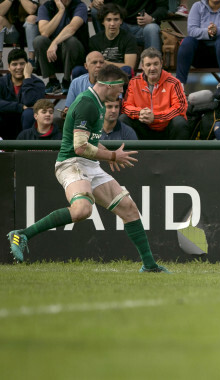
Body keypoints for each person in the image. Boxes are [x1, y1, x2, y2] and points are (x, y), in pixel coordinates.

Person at [7, 64, 169, 273]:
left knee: (129, 209)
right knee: (83, 210)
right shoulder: (86, 103)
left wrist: (106, 153)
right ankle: (22, 234)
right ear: (108, 84)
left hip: (88, 164)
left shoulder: (99, 103)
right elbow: (80, 147)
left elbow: (91, 141)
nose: (122, 91)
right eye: (120, 86)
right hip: (71, 163)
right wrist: (111, 155)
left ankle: (149, 266)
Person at [121, 48, 189, 140]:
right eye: (148, 65)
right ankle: (130, 153)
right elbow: (126, 107)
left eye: (155, 64)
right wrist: (140, 113)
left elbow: (180, 108)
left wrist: (155, 117)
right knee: (123, 119)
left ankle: (177, 154)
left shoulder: (173, 82)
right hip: (143, 128)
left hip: (167, 129)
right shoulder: (134, 82)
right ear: (143, 66)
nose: (152, 68)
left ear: (161, 63)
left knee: (179, 122)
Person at [175, 0, 220, 88]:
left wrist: (217, 31)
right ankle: (180, 84)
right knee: (187, 40)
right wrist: (208, 32)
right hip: (202, 57)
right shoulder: (197, 6)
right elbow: (191, 31)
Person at [35, 0, 89, 95]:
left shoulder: (79, 6)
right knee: (39, 40)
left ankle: (67, 80)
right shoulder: (46, 7)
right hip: (54, 55)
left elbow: (72, 28)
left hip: (75, 52)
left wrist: (55, 42)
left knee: (70, 40)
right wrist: (61, 11)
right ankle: (52, 81)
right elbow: (44, 32)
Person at [0, 49, 45, 139]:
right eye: (14, 64)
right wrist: (20, 107)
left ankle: (26, 149)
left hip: (27, 126)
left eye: (22, 64)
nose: (19, 67)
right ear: (8, 67)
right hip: (6, 124)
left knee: (29, 113)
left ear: (28, 65)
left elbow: (29, 102)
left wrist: (27, 77)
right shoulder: (2, 82)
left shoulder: (37, 83)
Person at [91, 0, 167, 51]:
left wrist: (151, 18)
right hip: (120, 25)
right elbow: (99, 4)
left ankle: (153, 66)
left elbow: (163, 8)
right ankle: (105, 51)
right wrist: (96, 2)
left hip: (144, 28)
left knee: (152, 28)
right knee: (96, 10)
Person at [88, 3, 137, 77]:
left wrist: (104, 63)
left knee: (127, 69)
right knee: (78, 70)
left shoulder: (129, 39)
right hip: (101, 74)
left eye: (116, 19)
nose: (112, 24)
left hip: (120, 75)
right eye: (108, 20)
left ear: (121, 21)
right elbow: (93, 64)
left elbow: (129, 67)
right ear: (103, 22)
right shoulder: (94, 40)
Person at [62, 51, 105, 119]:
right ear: (86, 66)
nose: (98, 65)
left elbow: (114, 109)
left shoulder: (112, 82)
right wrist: (67, 112)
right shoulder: (76, 83)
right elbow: (68, 108)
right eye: (94, 62)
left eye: (101, 62)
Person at [0, 0, 39, 69]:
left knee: (32, 18)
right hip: (12, 33)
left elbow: (31, 10)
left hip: (30, 33)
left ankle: (31, 60)